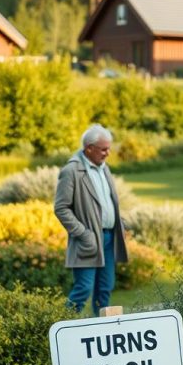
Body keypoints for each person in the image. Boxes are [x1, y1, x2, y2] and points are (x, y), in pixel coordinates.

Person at [54, 124, 128, 315]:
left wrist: (120, 223)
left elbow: (107, 202)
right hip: (87, 242)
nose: (108, 153)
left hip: (109, 239)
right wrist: (83, 234)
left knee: (105, 290)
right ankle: (62, 334)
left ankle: (105, 333)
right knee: (83, 291)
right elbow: (61, 208)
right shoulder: (71, 171)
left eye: (109, 148)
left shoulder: (104, 168)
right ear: (89, 148)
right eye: (103, 149)